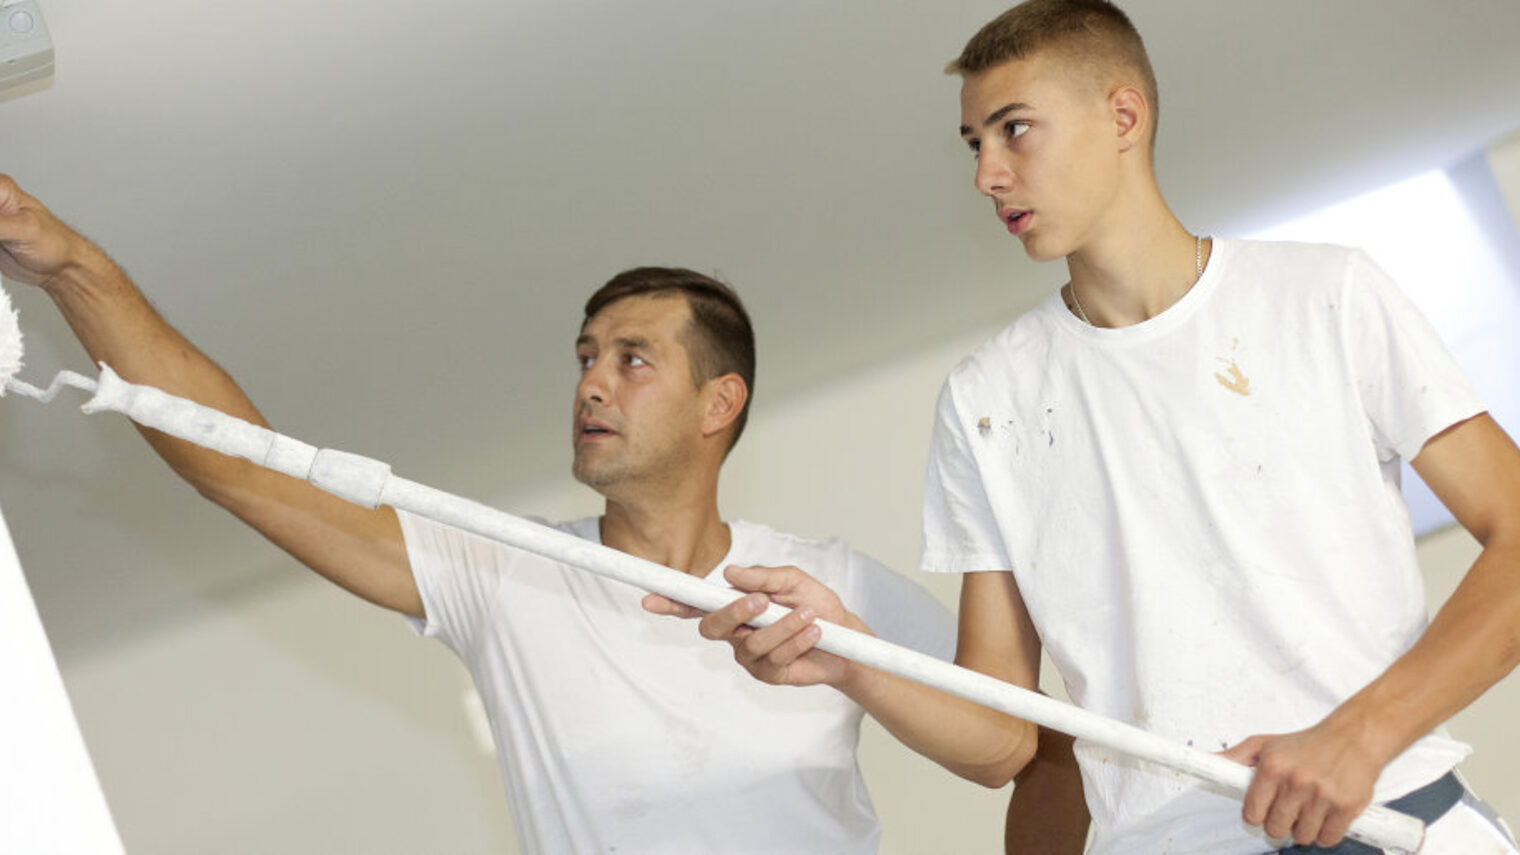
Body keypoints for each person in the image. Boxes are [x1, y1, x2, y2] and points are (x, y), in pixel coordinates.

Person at [650, 2, 1520, 853]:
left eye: (1014, 129)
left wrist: (1360, 736)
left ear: (1123, 116)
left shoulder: (1328, 294)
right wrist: (848, 654)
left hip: (1396, 815)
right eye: (974, 144)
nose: (987, 173)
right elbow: (1005, 733)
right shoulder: (986, 399)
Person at [0, 175, 987, 854]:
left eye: (631, 359)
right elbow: (246, 472)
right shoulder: (505, 573)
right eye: (584, 357)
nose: (591, 383)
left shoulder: (828, 585)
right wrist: (72, 268)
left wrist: (848, 654)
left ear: (717, 404)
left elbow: (1006, 748)